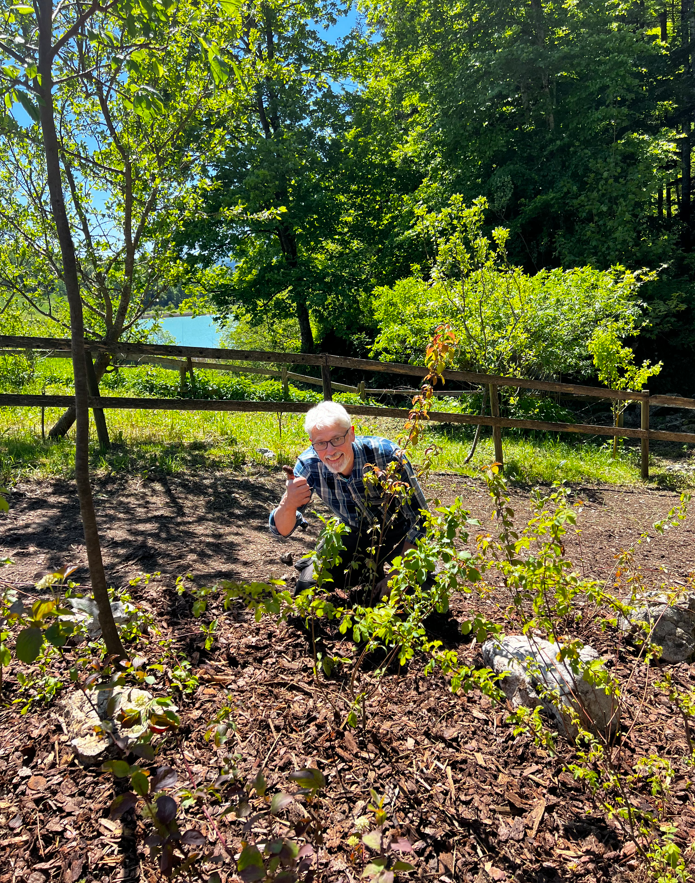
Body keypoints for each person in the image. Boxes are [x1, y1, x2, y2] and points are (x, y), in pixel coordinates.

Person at [269, 401, 429, 595]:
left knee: (423, 592)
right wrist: (288, 502)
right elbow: (282, 531)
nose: (330, 451)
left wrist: (397, 573)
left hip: (400, 535)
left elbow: (421, 520)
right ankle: (356, 568)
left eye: (337, 439)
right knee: (307, 591)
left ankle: (371, 570)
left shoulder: (387, 456)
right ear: (312, 443)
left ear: (351, 433)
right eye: (320, 443)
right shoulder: (309, 464)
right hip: (352, 532)